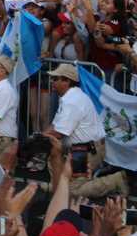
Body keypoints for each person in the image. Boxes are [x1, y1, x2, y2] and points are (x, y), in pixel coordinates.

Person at [42, 63, 131, 197]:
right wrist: (41, 136)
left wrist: (38, 139)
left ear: (67, 81)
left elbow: (59, 133)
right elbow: (55, 125)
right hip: (83, 149)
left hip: (86, 151)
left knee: (72, 192)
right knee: (55, 158)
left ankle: (115, 180)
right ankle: (58, 186)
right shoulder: (71, 97)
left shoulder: (71, 101)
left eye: (56, 79)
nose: (52, 82)